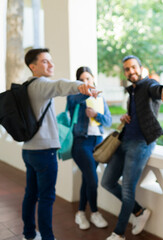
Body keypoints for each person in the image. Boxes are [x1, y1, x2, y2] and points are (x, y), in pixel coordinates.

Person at [21, 48, 99, 240]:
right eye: (45, 61)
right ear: (33, 67)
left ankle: (29, 235)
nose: (51, 64)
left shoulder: (25, 86)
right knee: (46, 198)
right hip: (44, 152)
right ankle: (48, 238)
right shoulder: (41, 84)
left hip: (29, 150)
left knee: (31, 195)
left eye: (51, 60)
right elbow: (60, 86)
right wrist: (81, 85)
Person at [101, 55, 163, 240]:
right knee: (107, 182)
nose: (131, 71)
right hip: (124, 141)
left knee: (127, 189)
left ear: (140, 68)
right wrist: (127, 117)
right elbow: (138, 113)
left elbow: (156, 88)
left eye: (133, 67)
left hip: (141, 143)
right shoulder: (132, 90)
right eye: (127, 69)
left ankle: (118, 234)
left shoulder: (148, 84)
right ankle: (140, 212)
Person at [67, 66, 112, 230]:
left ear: (93, 78)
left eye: (88, 78)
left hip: (98, 143)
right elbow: (72, 103)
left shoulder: (101, 98)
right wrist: (86, 92)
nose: (86, 82)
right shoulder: (75, 97)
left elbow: (108, 121)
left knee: (87, 178)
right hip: (81, 143)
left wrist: (96, 115)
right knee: (92, 179)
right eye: (82, 79)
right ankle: (94, 212)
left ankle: (80, 213)